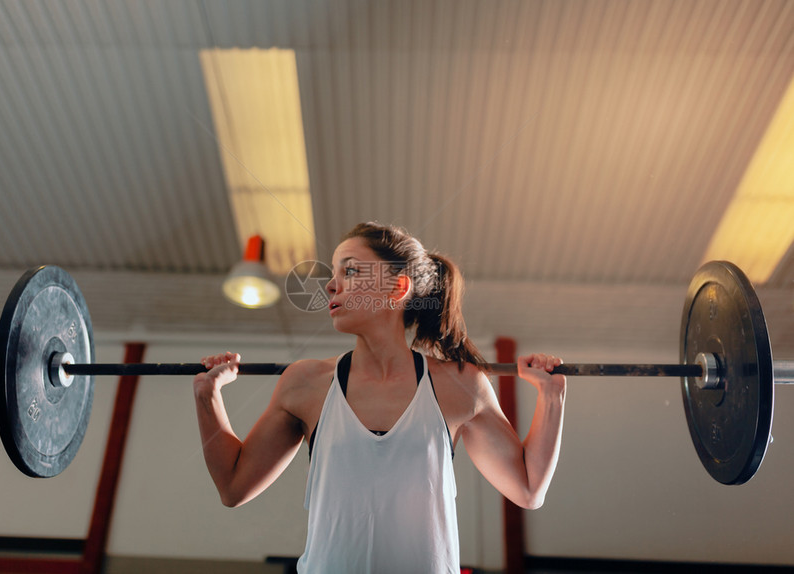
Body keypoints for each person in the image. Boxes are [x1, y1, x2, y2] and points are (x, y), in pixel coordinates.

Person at [193, 222, 566, 574]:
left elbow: (529, 490)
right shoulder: (305, 383)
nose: (331, 285)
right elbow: (234, 486)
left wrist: (551, 395)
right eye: (334, 273)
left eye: (350, 271)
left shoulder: (460, 384)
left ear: (398, 288)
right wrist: (207, 395)